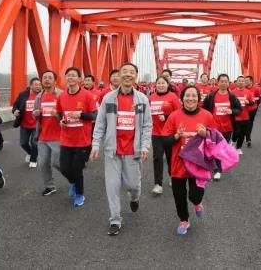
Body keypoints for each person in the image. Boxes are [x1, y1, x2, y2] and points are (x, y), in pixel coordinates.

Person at [91, 63, 152, 236]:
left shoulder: (142, 100)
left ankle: (134, 197)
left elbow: (147, 125)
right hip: (112, 151)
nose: (128, 75)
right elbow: (100, 123)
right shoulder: (109, 98)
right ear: (118, 75)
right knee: (112, 186)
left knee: (133, 185)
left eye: (131, 72)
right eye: (124, 71)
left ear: (136, 77)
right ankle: (115, 220)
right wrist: (96, 144)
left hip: (133, 151)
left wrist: (145, 146)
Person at [162, 86, 215, 235]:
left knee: (194, 195)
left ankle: (197, 203)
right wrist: (176, 136)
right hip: (178, 163)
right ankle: (184, 220)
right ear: (182, 98)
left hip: (198, 163)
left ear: (198, 99)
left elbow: (216, 139)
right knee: (178, 195)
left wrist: (206, 134)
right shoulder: (174, 116)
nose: (190, 98)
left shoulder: (207, 116)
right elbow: (165, 141)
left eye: (194, 96)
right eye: (187, 95)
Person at [55, 67, 98, 207]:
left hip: (82, 140)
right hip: (66, 138)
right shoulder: (61, 96)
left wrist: (81, 115)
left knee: (77, 168)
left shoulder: (87, 96)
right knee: (64, 168)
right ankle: (73, 182)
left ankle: (80, 194)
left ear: (79, 79)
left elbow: (94, 115)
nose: (71, 78)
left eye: (74, 75)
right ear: (65, 78)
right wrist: (60, 120)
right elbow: (59, 113)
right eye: (68, 75)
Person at [202, 74, 242, 181]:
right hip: (213, 128)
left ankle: (216, 166)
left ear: (228, 83)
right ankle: (217, 170)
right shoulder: (211, 96)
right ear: (218, 82)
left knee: (220, 149)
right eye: (222, 81)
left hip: (227, 128)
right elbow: (204, 108)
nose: (224, 83)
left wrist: (232, 111)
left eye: (226, 81)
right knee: (215, 148)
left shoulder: (232, 96)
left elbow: (239, 110)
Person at [149, 76, 181, 195]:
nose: (161, 85)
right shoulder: (151, 97)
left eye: (163, 83)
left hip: (169, 133)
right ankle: (158, 184)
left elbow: (179, 114)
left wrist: (167, 117)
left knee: (170, 157)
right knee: (157, 158)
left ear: (167, 85)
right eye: (159, 83)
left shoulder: (173, 97)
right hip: (156, 132)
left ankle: (172, 175)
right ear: (155, 85)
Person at [33, 70, 62, 196]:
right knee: (43, 163)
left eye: (50, 77)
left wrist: (58, 115)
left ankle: (74, 178)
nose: (46, 80)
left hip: (59, 135)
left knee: (57, 162)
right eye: (44, 77)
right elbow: (35, 113)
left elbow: (67, 113)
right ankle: (50, 186)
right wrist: (35, 114)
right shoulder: (39, 96)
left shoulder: (61, 95)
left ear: (54, 80)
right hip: (43, 135)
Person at [12, 78, 42, 168]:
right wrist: (15, 111)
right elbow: (16, 105)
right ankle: (31, 153)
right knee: (23, 143)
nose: (38, 86)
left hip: (36, 124)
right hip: (24, 124)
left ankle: (33, 159)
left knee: (34, 142)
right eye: (36, 84)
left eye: (39, 84)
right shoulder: (23, 94)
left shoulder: (42, 95)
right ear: (31, 85)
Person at [232, 76, 255, 155]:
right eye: (239, 81)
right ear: (236, 82)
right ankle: (233, 142)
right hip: (236, 116)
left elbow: (253, 102)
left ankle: (238, 148)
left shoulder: (248, 92)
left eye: (242, 81)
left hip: (245, 116)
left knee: (242, 133)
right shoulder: (232, 92)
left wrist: (249, 102)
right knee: (236, 132)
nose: (241, 82)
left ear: (244, 83)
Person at [244, 76, 261, 148]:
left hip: (253, 108)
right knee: (245, 123)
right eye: (245, 80)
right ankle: (246, 135)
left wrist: (255, 104)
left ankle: (248, 138)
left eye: (247, 80)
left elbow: (259, 97)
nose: (245, 82)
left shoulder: (256, 88)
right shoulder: (243, 88)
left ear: (251, 81)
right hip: (244, 109)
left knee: (250, 123)